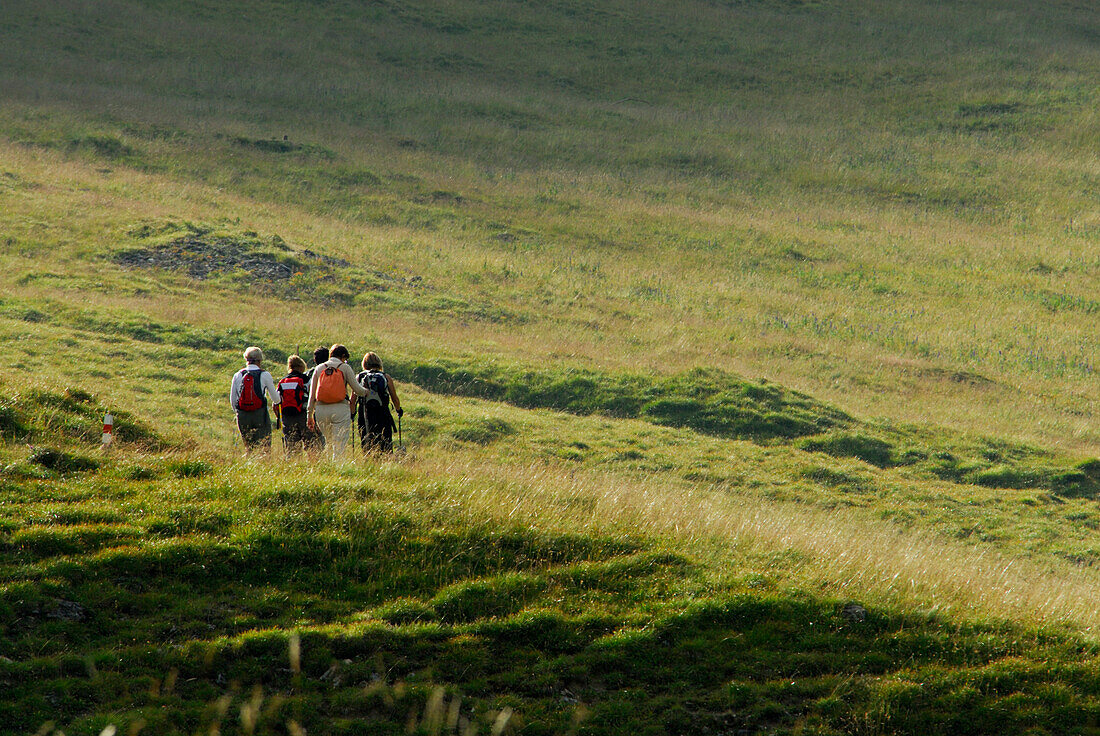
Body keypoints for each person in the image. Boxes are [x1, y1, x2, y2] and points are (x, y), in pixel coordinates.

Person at [306, 344, 368, 460]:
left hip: (321, 410)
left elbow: (312, 395)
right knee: (339, 445)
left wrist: (309, 415)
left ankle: (328, 468)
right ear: (343, 356)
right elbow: (357, 389)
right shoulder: (344, 368)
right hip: (340, 408)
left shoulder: (319, 368)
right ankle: (338, 468)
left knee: (328, 442)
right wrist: (367, 392)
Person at [229, 346, 280, 451]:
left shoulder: (238, 375)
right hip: (260, 413)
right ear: (260, 360)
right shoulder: (265, 374)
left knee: (248, 446)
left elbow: (233, 400)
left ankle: (250, 463)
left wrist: (239, 412)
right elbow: (276, 399)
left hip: (242, 414)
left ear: (246, 359)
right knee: (264, 445)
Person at [353, 352, 403, 453]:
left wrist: (352, 413)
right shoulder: (385, 377)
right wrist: (398, 410)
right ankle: (385, 462)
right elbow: (394, 398)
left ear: (364, 364)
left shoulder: (360, 377)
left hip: (365, 413)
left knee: (366, 442)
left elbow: (352, 399)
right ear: (379, 363)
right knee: (385, 443)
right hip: (383, 413)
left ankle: (369, 463)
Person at [277, 355, 311, 454]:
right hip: (303, 414)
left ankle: (293, 464)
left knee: (291, 445)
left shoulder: (283, 381)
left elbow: (277, 400)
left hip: (287, 416)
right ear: (301, 367)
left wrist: (279, 417)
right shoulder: (306, 379)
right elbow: (312, 395)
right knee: (310, 443)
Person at [303, 346, 329, 452]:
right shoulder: (330, 372)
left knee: (311, 440)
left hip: (309, 407)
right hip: (324, 407)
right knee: (323, 438)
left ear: (314, 359)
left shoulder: (307, 374)